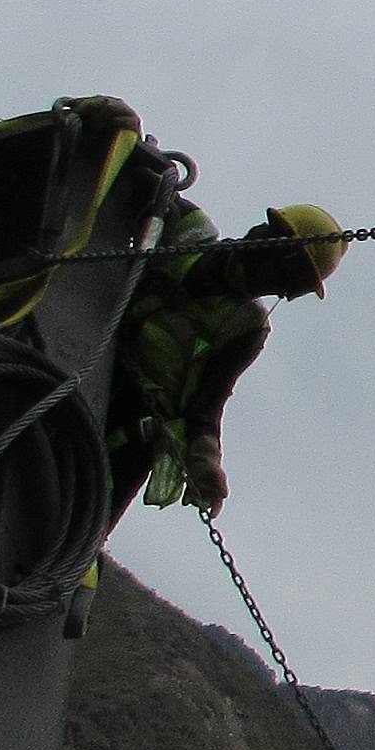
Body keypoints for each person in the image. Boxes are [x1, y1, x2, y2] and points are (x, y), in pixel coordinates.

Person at [113, 192, 344, 511]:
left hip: (133, 422)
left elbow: (208, 402)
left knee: (77, 532)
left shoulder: (245, 325)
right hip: (88, 337)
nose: (275, 289)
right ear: (266, 241)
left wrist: (205, 462)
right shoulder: (186, 230)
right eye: (286, 278)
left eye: (290, 288)